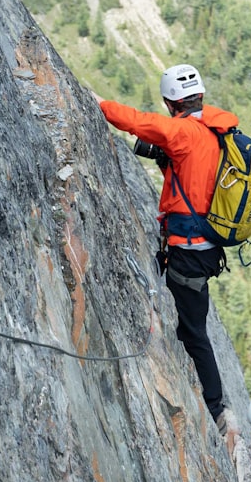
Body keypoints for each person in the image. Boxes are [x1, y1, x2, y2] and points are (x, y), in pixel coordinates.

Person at [96, 64, 238, 431]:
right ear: (199, 97)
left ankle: (216, 409)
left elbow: (141, 122)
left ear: (170, 102)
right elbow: (172, 157)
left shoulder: (182, 131)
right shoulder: (212, 132)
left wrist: (100, 104)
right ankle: (214, 403)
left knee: (192, 331)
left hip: (189, 251)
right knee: (192, 323)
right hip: (204, 247)